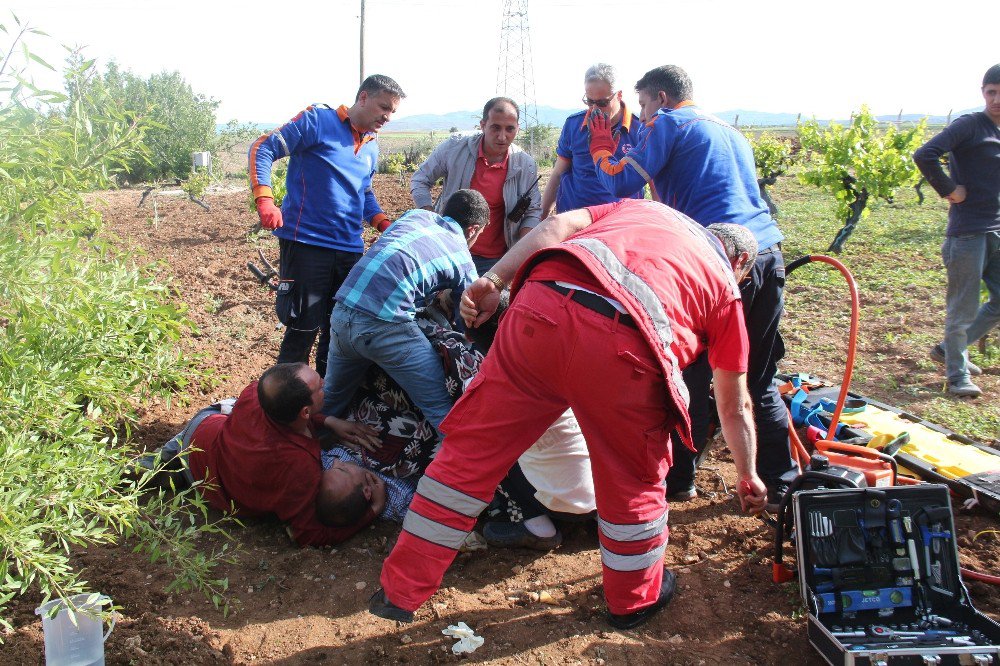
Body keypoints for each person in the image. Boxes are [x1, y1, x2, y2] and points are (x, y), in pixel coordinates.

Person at [370, 198, 768, 630]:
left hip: (538, 311)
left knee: (467, 457)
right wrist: (747, 473)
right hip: (627, 354)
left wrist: (493, 280)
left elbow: (558, 224)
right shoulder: (726, 290)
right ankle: (633, 601)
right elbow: (734, 403)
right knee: (632, 480)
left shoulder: (647, 210)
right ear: (741, 260)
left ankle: (399, 590)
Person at [587, 64, 794, 505]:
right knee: (757, 376)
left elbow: (620, 183)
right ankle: (782, 484)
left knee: (690, 375)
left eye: (642, 106)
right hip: (764, 253)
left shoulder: (668, 122)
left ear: (661, 98)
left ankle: (679, 481)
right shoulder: (730, 131)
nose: (641, 117)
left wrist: (603, 142)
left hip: (714, 257)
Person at [248, 74, 405, 377]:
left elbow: (364, 192)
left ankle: (326, 406)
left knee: (339, 334)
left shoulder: (372, 144)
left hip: (349, 250)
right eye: (383, 107)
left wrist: (383, 222)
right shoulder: (317, 121)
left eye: (392, 112)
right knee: (302, 330)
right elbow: (263, 148)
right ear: (363, 97)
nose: (387, 117)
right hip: (307, 244)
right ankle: (285, 410)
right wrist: (265, 198)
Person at [148, 363, 388, 547]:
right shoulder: (299, 465)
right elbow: (307, 534)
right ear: (305, 411)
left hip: (199, 435)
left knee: (145, 471)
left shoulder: (256, 394)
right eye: (320, 388)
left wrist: (328, 421)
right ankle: (167, 465)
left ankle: (161, 465)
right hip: (212, 489)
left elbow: (290, 420)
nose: (324, 382)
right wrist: (372, 512)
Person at [321, 190, 489, 436]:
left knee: (330, 401)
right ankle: (460, 469)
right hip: (384, 326)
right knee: (441, 409)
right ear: (473, 229)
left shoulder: (415, 216)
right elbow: (468, 318)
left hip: (342, 312)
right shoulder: (461, 257)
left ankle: (309, 452)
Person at [913, 64, 1000, 399]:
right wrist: (949, 188)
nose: (995, 99)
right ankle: (956, 375)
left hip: (994, 230)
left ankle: (951, 350)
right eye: (990, 92)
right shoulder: (970, 125)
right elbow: (925, 154)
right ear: (983, 93)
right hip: (967, 234)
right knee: (962, 309)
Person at [410, 98, 541, 275]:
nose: (502, 136)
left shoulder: (525, 165)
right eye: (495, 127)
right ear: (483, 125)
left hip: (495, 261)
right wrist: (432, 219)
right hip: (447, 251)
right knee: (439, 301)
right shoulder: (454, 148)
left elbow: (532, 212)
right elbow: (420, 179)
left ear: (517, 128)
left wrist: (518, 255)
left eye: (510, 129)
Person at [539, 63, 645, 218]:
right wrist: (542, 215)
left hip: (620, 224)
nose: (595, 109)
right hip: (574, 220)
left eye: (602, 103)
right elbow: (557, 174)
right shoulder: (574, 125)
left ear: (619, 95)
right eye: (589, 101)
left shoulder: (640, 129)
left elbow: (653, 182)